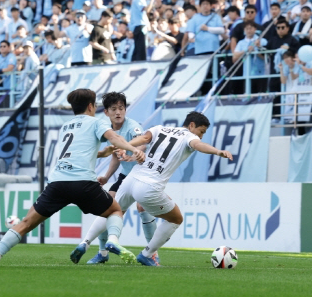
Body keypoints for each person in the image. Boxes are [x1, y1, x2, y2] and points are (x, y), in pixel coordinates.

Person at [0, 89, 145, 267]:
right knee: (115, 210)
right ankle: (113, 240)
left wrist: (102, 153)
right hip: (83, 183)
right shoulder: (96, 123)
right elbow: (114, 138)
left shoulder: (66, 127)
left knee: (27, 222)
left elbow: (76, 153)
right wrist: (135, 149)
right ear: (91, 106)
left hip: (57, 183)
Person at [72, 112, 233, 267]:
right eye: (201, 131)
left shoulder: (159, 128)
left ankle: (84, 243)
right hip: (149, 186)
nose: (201, 136)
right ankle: (147, 254)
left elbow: (141, 139)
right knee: (176, 219)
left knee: (112, 211)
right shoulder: (190, 137)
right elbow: (199, 145)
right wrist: (217, 151)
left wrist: (119, 145)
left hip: (131, 179)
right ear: (192, 125)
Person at [81, 91, 151, 265]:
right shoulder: (107, 129)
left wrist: (133, 155)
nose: (118, 112)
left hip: (143, 174)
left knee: (142, 207)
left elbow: (142, 143)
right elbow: (115, 156)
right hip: (126, 176)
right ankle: (103, 253)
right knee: (108, 207)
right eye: (114, 109)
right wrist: (106, 176)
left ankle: (151, 253)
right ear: (106, 112)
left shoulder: (132, 126)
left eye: (121, 108)